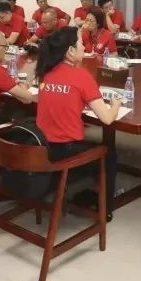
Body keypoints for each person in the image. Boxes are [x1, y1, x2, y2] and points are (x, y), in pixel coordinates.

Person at [36, 27, 121, 216]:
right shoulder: (81, 76)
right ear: (70, 51)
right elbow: (107, 119)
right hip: (66, 151)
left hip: (42, 146)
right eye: (81, 43)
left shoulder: (45, 72)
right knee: (109, 154)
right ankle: (105, 207)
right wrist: (116, 104)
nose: (84, 47)